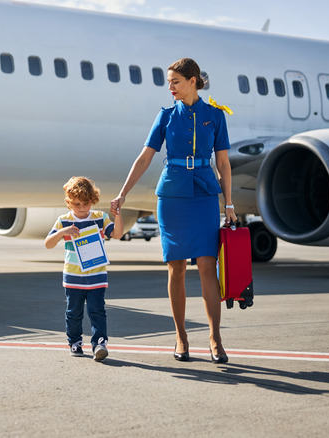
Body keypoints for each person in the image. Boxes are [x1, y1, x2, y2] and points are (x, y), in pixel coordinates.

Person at [110, 58, 237, 364]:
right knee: (176, 266)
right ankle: (181, 336)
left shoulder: (215, 116)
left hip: (205, 194)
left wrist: (229, 204)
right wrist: (123, 193)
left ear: (193, 81)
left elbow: (222, 164)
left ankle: (215, 338)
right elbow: (144, 157)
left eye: (175, 82)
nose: (170, 88)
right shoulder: (166, 116)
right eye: (169, 82)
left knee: (208, 264)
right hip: (172, 196)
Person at [45, 176, 124, 361]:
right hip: (73, 276)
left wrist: (117, 215)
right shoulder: (64, 220)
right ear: (69, 202)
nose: (82, 208)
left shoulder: (99, 218)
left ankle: (99, 344)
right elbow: (48, 244)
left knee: (98, 311)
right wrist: (63, 232)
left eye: (86, 203)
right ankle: (75, 342)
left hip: (97, 275)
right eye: (77, 204)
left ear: (93, 201)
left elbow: (118, 234)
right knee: (73, 313)